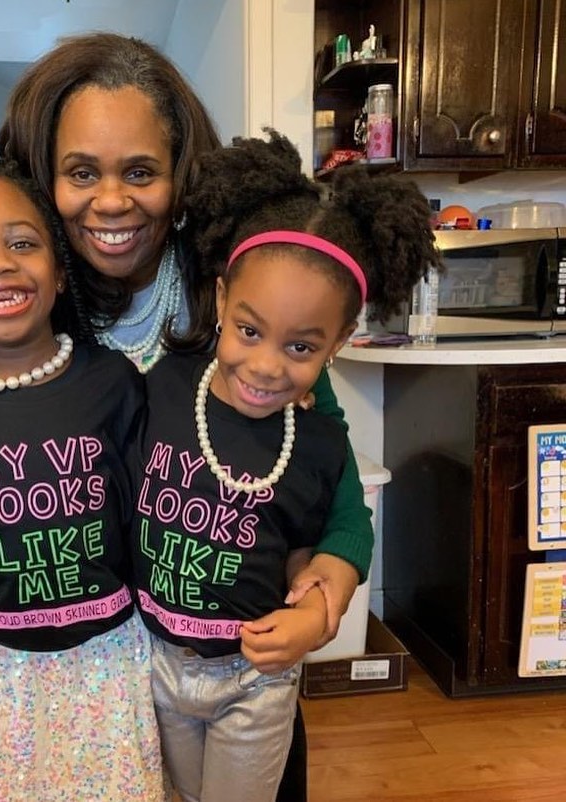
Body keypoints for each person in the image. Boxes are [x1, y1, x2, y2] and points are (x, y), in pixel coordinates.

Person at [0, 32, 375, 799]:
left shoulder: (249, 310)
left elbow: (330, 484)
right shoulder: (15, 310)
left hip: (227, 668)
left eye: (140, 171)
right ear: (44, 181)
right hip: (80, 685)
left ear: (179, 178)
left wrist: (332, 583)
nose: (111, 201)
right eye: (81, 171)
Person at [131, 129, 439, 802]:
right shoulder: (163, 387)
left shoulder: (317, 439)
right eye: (250, 331)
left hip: (253, 674)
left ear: (338, 343)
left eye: (300, 346)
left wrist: (322, 596)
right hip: (156, 659)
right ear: (220, 298)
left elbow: (322, 526)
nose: (268, 365)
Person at [0, 157, 166, 802]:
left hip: (108, 657)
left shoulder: (114, 383)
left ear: (57, 267)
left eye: (22, 243)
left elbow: (148, 516)